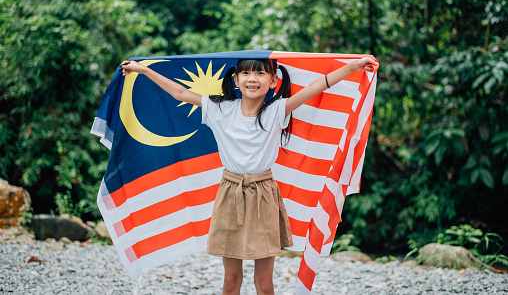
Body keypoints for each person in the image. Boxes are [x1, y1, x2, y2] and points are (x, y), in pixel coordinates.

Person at [121, 57, 376, 295]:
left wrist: (353, 66)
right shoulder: (219, 109)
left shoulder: (276, 110)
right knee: (231, 280)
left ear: (273, 81)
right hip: (230, 192)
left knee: (264, 283)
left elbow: (317, 86)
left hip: (264, 194)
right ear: (236, 80)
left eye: (260, 73)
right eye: (246, 72)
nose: (252, 78)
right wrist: (143, 70)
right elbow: (180, 93)